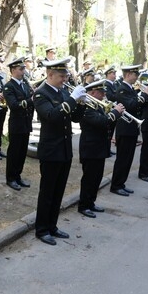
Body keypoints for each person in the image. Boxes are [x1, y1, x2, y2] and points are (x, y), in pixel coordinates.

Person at [33, 58, 85, 245]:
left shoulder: (63, 92)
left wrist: (81, 103)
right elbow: (51, 116)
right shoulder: (41, 94)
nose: (65, 79)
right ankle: (42, 229)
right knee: (47, 192)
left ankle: (52, 226)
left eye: (66, 75)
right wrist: (72, 99)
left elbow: (75, 119)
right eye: (62, 76)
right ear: (50, 75)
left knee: (58, 191)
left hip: (64, 149)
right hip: (50, 150)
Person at [76, 79, 124, 218]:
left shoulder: (98, 105)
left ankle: (91, 202)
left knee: (97, 178)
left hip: (99, 147)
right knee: (89, 178)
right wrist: (115, 113)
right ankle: (83, 205)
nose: (104, 95)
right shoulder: (86, 107)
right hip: (90, 148)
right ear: (92, 93)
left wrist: (116, 114)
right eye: (101, 92)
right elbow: (101, 122)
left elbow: (106, 123)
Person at [110, 64, 148, 197]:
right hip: (125, 129)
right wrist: (144, 95)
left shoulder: (130, 89)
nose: (137, 77)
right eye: (135, 74)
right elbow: (131, 105)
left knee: (128, 159)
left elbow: (138, 107)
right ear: (127, 75)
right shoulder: (122, 89)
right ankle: (116, 185)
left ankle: (121, 183)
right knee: (122, 159)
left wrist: (146, 97)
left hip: (131, 128)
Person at [3, 57, 34, 191]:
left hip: (26, 122)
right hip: (16, 124)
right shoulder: (9, 86)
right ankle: (11, 178)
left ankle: (18, 176)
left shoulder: (25, 84)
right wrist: (31, 100)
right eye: (21, 69)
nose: (23, 71)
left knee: (22, 152)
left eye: (23, 69)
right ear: (13, 70)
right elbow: (14, 105)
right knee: (14, 152)